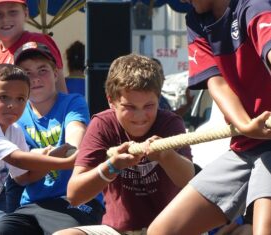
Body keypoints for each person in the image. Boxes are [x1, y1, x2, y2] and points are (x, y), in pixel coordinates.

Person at [147, 0, 271, 234]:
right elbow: (218, 83)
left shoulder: (254, 5)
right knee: (163, 231)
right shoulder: (196, 20)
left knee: (268, 231)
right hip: (244, 145)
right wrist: (245, 125)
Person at [53, 53, 195, 235]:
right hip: (118, 230)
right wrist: (113, 166)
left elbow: (189, 181)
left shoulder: (170, 123)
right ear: (111, 101)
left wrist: (166, 155)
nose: (140, 116)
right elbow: (74, 195)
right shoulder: (103, 124)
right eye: (130, 107)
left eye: (149, 106)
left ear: (158, 98)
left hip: (170, 228)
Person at [0, 42, 105, 235]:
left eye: (42, 70)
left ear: (56, 73)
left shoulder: (72, 102)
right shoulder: (12, 119)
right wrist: (62, 160)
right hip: (32, 205)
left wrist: (70, 151)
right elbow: (18, 161)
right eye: (27, 72)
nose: (35, 78)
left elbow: (75, 134)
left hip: (75, 201)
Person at [0, 63, 77, 224]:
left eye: (21, 99)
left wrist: (52, 159)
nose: (13, 105)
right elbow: (17, 159)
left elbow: (23, 177)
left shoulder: (14, 131)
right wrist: (64, 162)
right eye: (3, 97)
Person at [0, 0, 67, 93]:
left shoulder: (37, 42)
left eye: (13, 12)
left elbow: (60, 92)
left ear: (26, 14)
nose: (5, 19)